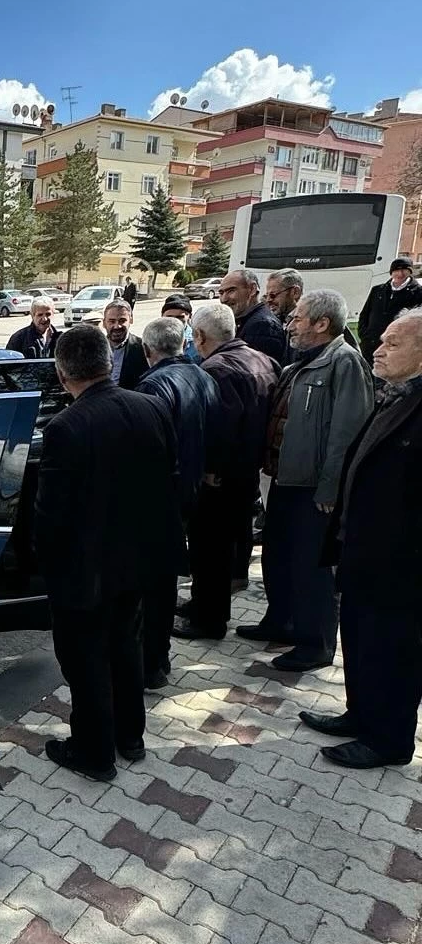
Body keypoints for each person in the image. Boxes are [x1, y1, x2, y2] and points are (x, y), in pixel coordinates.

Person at [34, 326, 182, 781]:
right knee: (126, 647)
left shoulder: (65, 427)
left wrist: (45, 567)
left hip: (85, 572)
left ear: (63, 374)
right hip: (138, 562)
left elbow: (51, 516)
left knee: (85, 660)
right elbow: (167, 480)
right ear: (107, 362)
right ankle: (130, 738)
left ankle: (94, 753)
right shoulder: (151, 406)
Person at [302, 308, 422, 768]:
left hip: (399, 563)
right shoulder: (395, 393)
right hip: (364, 551)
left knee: (393, 650)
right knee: (360, 639)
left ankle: (389, 739)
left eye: (392, 342)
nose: (378, 348)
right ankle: (361, 713)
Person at [245, 289, 373, 672]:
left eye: (298, 318)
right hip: (286, 480)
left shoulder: (344, 362)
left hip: (315, 491)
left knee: (312, 568)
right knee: (280, 556)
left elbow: (347, 433)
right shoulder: (305, 360)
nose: (290, 324)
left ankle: (314, 643)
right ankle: (280, 621)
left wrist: (330, 488)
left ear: (321, 323)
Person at [174, 302, 278, 643]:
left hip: (220, 477)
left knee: (209, 549)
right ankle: (202, 604)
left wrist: (209, 470)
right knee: (222, 548)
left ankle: (209, 620)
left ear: (200, 336)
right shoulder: (263, 360)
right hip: (248, 473)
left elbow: (220, 428)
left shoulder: (217, 369)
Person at [134, 317, 218, 688]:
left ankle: (150, 664)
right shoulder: (204, 376)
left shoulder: (153, 386)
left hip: (158, 498)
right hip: (193, 491)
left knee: (149, 588)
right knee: (165, 582)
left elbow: (147, 451)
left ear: (148, 351)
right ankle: (159, 657)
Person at [357, 258, 422, 365]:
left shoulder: (418, 293)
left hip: (395, 349)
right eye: (396, 270)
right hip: (369, 346)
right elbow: (364, 314)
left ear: (410, 272)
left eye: (404, 270)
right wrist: (364, 334)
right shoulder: (377, 290)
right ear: (391, 272)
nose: (400, 273)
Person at [218, 270, 284, 364]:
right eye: (221, 293)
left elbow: (256, 372)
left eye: (231, 291)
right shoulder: (246, 320)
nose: (224, 299)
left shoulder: (263, 325)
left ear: (252, 289)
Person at [102, 301, 147, 389]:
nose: (117, 326)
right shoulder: (94, 348)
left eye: (122, 321)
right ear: (104, 323)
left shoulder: (143, 348)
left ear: (131, 320)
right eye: (112, 321)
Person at [161, 294, 199, 363]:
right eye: (169, 317)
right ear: (162, 316)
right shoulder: (154, 338)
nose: (174, 321)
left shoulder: (198, 341)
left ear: (190, 316)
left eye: (180, 317)